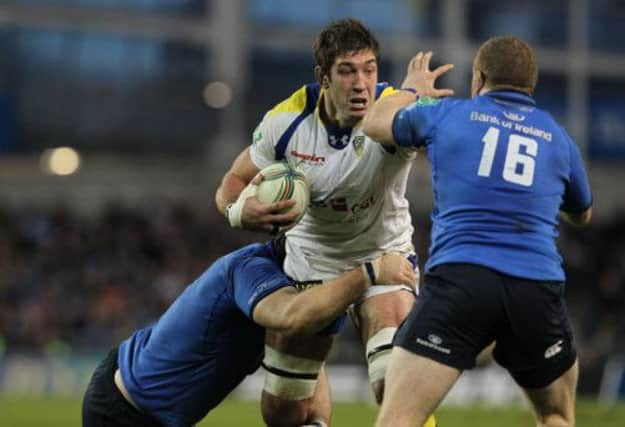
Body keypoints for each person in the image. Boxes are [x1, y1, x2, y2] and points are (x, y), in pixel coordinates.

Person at [215, 18, 448, 426]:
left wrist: (424, 101)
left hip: (385, 255)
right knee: (285, 412)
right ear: (322, 76)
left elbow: (446, 135)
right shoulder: (285, 123)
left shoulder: (395, 110)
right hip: (312, 265)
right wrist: (238, 210)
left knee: (394, 382)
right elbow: (233, 181)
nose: (361, 83)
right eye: (347, 70)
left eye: (370, 69)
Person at [362, 37, 592, 427]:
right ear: (530, 85)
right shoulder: (558, 138)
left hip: (463, 282)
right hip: (536, 290)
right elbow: (581, 213)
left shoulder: (448, 114)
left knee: (398, 419)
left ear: (479, 77)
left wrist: (412, 90)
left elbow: (373, 123)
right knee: (556, 415)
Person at [82, 234, 416, 426]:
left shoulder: (312, 293)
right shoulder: (251, 270)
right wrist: (368, 274)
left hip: (156, 410)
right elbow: (290, 316)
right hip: (123, 411)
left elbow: (310, 365)